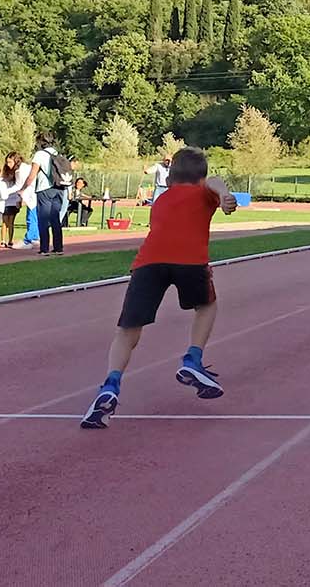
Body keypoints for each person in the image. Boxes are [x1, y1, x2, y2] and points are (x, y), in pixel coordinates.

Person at [80, 148, 239, 428]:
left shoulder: (162, 199)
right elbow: (213, 181)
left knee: (127, 330)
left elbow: (206, 182)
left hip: (148, 263)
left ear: (168, 179)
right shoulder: (204, 192)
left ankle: (111, 384)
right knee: (206, 306)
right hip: (190, 260)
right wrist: (223, 195)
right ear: (200, 179)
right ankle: (193, 358)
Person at [17, 132, 70, 255]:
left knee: (43, 219)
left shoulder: (40, 154)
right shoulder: (57, 153)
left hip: (44, 189)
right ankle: (58, 247)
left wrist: (23, 188)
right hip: (59, 188)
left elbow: (32, 175)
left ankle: (44, 248)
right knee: (55, 218)